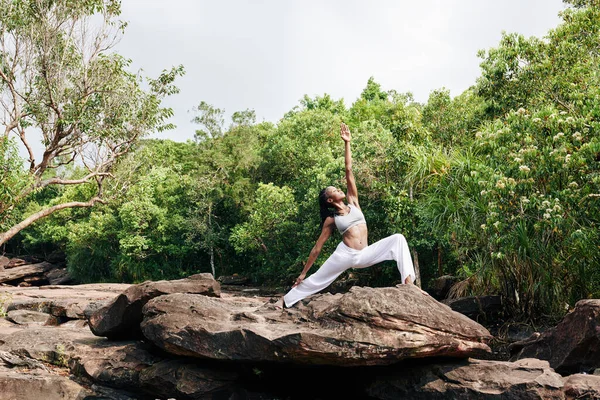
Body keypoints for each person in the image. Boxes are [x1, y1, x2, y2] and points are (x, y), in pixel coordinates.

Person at [282, 122, 424, 308]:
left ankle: (408, 284)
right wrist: (303, 273)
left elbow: (348, 170)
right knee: (318, 278)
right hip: (346, 254)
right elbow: (317, 249)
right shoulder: (332, 220)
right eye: (334, 190)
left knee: (398, 239)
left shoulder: (353, 202)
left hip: (365, 253)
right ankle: (285, 300)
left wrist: (347, 143)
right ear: (330, 200)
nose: (338, 188)